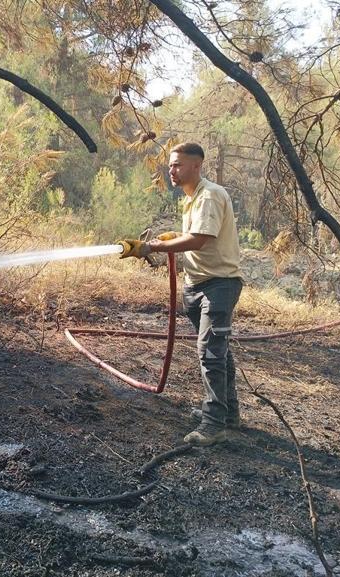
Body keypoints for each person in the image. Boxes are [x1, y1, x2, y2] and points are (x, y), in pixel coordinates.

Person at [119, 142, 243, 447]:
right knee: (218, 350)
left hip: (219, 284)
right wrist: (174, 237)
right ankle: (227, 413)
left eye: (178, 165)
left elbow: (199, 240)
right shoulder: (193, 198)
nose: (171, 170)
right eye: (171, 165)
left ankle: (214, 424)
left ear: (196, 166)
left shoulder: (209, 195)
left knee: (210, 352)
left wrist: (151, 247)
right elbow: (197, 236)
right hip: (200, 284)